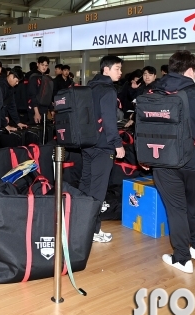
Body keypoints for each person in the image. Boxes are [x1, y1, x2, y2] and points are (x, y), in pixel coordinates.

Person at [144, 50, 195, 274]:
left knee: (176, 209)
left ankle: (182, 258)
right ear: (191, 70)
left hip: (163, 160)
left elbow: (145, 129)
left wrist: (145, 157)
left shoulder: (153, 92)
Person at [82, 55, 126, 243]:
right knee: (98, 189)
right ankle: (93, 230)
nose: (120, 72)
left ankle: (79, 224)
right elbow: (110, 121)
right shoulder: (108, 90)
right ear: (106, 70)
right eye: (117, 68)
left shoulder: (88, 87)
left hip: (86, 143)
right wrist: (117, 144)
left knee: (85, 185)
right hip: (103, 145)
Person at [27, 56, 50, 124]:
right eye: (42, 65)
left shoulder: (45, 78)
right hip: (35, 109)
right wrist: (36, 112)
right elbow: (32, 95)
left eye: (46, 65)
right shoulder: (34, 77)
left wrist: (51, 109)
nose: (44, 67)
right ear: (38, 64)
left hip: (43, 108)